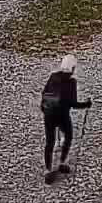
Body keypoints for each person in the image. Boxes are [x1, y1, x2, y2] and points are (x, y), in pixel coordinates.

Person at [39, 54, 93, 182]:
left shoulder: (53, 77)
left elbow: (44, 93)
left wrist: (44, 110)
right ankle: (62, 162)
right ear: (73, 68)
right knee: (68, 136)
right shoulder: (71, 82)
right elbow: (73, 104)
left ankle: (48, 169)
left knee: (50, 142)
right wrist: (87, 104)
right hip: (62, 115)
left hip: (49, 114)